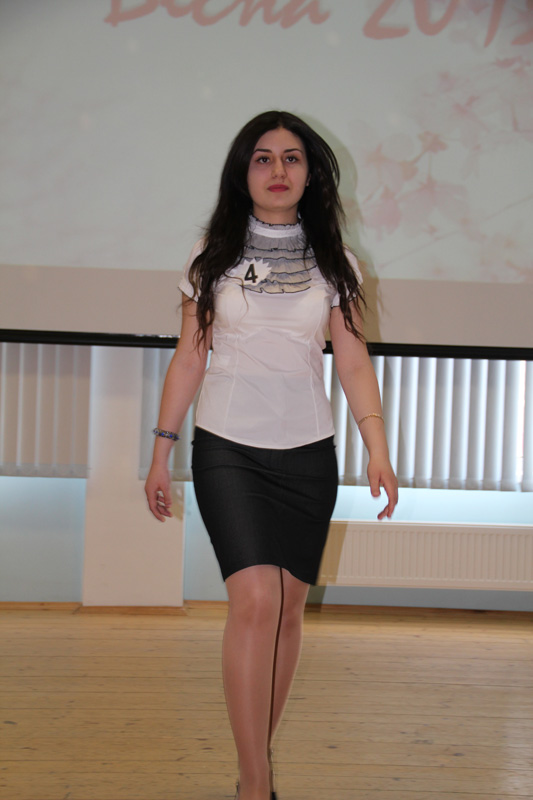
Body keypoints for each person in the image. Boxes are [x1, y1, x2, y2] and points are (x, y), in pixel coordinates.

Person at [145, 110, 398, 800]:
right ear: (243, 172)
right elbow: (189, 357)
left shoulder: (337, 263)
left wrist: (376, 446)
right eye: (263, 157)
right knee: (256, 601)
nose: (278, 170)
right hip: (228, 448)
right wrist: (161, 450)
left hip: (308, 453)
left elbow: (352, 361)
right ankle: (257, 784)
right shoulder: (212, 256)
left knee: (287, 611)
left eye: (292, 158)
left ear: (310, 174)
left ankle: (251, 767)